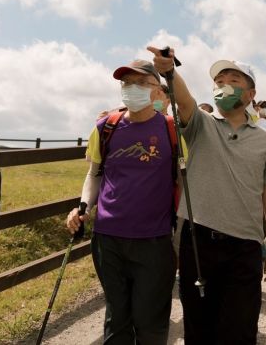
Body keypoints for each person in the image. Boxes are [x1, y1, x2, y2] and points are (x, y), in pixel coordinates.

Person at [148, 48, 266, 345]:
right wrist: (169, 72)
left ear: (251, 94)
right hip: (198, 244)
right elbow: (184, 101)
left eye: (233, 79)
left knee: (239, 331)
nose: (223, 85)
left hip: (245, 248)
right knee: (198, 331)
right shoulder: (201, 125)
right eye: (218, 81)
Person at [67, 60, 177, 344]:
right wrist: (83, 207)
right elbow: (93, 174)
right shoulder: (106, 127)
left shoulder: (171, 129)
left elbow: (184, 179)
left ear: (156, 91)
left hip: (154, 239)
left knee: (149, 320)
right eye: (126, 83)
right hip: (107, 238)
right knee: (117, 318)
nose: (131, 89)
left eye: (140, 83)